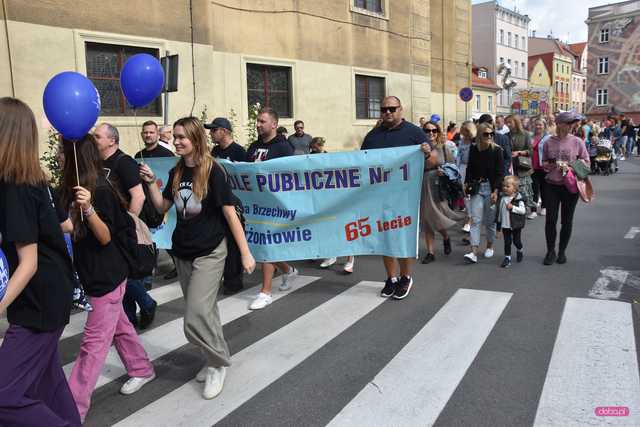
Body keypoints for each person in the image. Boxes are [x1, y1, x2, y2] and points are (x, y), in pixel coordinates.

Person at [139, 116, 255, 399]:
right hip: (183, 252)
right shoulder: (178, 170)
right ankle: (213, 357)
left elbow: (229, 212)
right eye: (175, 137)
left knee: (194, 316)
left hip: (210, 251)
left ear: (195, 139)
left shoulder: (213, 170)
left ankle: (218, 363)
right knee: (207, 312)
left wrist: (245, 252)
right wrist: (152, 184)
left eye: (181, 137)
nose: (176, 141)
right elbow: (163, 206)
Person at [59, 135, 155, 422]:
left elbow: (104, 236)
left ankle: (73, 407)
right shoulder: (75, 188)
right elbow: (70, 227)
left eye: (62, 153)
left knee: (93, 343)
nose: (58, 158)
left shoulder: (99, 190)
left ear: (77, 157)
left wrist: (88, 209)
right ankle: (141, 368)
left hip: (108, 275)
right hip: (95, 274)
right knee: (120, 327)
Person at [0, 97, 81, 427]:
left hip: (39, 300)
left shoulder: (14, 186)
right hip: (53, 291)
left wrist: (0, 306)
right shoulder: (33, 179)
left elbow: (28, 261)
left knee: (4, 397)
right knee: (47, 384)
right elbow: (63, 226)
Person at [361, 96, 432, 299]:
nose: (388, 113)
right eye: (384, 109)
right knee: (385, 237)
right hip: (380, 196)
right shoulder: (373, 136)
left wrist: (427, 153)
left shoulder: (413, 132)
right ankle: (391, 279)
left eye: (392, 109)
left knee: (403, 238)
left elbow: (434, 159)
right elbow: (361, 163)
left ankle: (406, 277)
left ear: (401, 109)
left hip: (405, 197)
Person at [94, 123, 158, 329]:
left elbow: (138, 197)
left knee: (123, 275)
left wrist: (127, 225)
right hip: (109, 226)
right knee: (122, 274)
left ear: (112, 140)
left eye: (97, 137)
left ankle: (147, 304)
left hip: (123, 228)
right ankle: (129, 319)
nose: (93, 140)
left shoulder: (124, 162)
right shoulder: (97, 162)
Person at [246, 108, 298, 310]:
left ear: (274, 124)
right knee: (263, 244)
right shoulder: (253, 147)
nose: (258, 124)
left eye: (262, 121)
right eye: (257, 121)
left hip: (275, 206)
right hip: (255, 204)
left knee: (267, 244)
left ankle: (265, 292)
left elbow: (290, 176)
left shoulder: (284, 147)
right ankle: (288, 270)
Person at [542, 111, 590, 265]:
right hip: (551, 185)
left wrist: (571, 166)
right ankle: (550, 251)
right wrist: (550, 165)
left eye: (573, 123)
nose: (573, 125)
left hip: (570, 185)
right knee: (550, 219)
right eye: (570, 123)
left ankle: (562, 251)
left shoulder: (577, 141)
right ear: (560, 124)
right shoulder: (549, 142)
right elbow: (543, 164)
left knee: (567, 221)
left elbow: (586, 162)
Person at [134, 120, 179, 286]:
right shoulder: (138, 156)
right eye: (145, 132)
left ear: (157, 134)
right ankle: (147, 274)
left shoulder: (167, 155)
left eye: (151, 132)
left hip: (164, 200)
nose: (148, 135)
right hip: (145, 202)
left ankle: (178, 266)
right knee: (148, 237)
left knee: (166, 236)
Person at [207, 117, 247, 295]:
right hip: (217, 202)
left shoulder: (239, 151)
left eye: (214, 130)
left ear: (224, 131)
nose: (211, 133)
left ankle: (233, 281)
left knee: (232, 244)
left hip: (234, 203)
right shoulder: (214, 150)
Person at [420, 121, 465, 264]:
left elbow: (453, 167)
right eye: (427, 131)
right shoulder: (418, 148)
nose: (431, 133)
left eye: (434, 131)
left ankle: (445, 237)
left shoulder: (443, 147)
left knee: (437, 218)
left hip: (438, 186)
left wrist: (444, 171)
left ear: (438, 132)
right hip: (422, 184)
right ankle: (430, 252)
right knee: (427, 220)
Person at [463, 122, 504, 264]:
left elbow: (500, 173)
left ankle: (489, 246)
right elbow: (469, 168)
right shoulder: (474, 149)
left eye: (491, 134)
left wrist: (496, 190)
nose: (489, 136)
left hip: (491, 188)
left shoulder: (497, 150)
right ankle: (473, 251)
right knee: (475, 219)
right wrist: (466, 183)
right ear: (480, 135)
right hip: (477, 188)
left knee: (490, 221)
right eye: (486, 134)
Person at [505, 115, 536, 219]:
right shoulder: (506, 135)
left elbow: (531, 151)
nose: (508, 125)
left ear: (516, 122)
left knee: (525, 191)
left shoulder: (525, 134)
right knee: (512, 189)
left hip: (522, 166)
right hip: (510, 166)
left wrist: (519, 152)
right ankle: (515, 208)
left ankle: (530, 209)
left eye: (510, 122)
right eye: (507, 123)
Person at [495, 175, 526, 268]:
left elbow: (523, 211)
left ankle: (520, 249)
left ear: (515, 188)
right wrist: (498, 228)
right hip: (505, 225)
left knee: (517, 241)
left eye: (508, 186)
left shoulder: (518, 199)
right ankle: (507, 258)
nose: (505, 188)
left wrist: (513, 208)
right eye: (504, 186)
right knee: (507, 242)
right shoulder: (502, 199)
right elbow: (499, 213)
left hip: (515, 225)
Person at [457, 121, 476, 234]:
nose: (464, 134)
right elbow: (459, 156)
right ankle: (469, 217)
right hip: (463, 168)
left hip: (474, 169)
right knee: (465, 195)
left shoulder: (476, 141)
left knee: (473, 194)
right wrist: (457, 170)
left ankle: (471, 219)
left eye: (466, 131)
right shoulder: (462, 141)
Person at [531, 118, 551, 217]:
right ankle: (533, 210)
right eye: (537, 124)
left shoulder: (548, 137)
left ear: (544, 126)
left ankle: (544, 207)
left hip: (544, 166)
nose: (538, 126)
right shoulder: (531, 136)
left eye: (540, 125)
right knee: (533, 188)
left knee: (544, 188)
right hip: (532, 166)